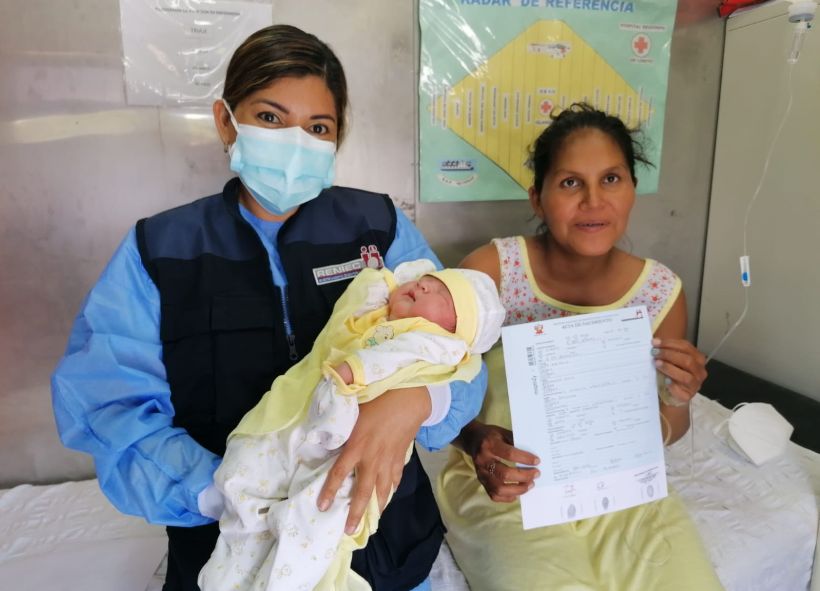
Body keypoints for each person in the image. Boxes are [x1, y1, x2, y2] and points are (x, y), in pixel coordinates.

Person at [50, 25, 488, 591]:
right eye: (272, 118)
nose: (295, 141)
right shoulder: (160, 251)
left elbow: (464, 344)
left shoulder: (379, 228)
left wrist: (420, 399)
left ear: (337, 139)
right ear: (226, 121)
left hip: (386, 541)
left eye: (318, 127)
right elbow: (108, 406)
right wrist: (225, 491)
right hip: (230, 549)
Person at [436, 104, 725, 591]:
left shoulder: (659, 292)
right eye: (571, 183)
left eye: (611, 179)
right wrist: (476, 441)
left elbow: (666, 430)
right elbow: (434, 391)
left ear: (632, 189)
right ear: (538, 197)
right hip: (508, 481)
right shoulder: (493, 272)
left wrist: (676, 397)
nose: (594, 201)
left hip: (622, 486)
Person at [199, 260, 505, 591]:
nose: (425, 285)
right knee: (242, 490)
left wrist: (413, 395)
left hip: (349, 453)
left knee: (315, 517)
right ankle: (227, 577)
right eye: (428, 280)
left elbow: (402, 360)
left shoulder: (432, 341)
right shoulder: (379, 314)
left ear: (454, 329)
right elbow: (377, 286)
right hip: (290, 431)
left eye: (443, 295)